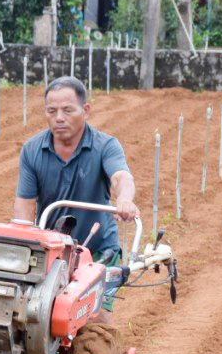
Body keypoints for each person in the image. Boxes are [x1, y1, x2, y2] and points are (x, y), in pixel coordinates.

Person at [13, 76, 138, 316]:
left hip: (99, 250)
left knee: (92, 317)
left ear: (86, 110)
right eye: (52, 111)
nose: (59, 117)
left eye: (67, 110)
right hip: (54, 248)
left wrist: (124, 199)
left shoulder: (105, 146)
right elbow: (25, 205)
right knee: (33, 312)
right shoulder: (32, 150)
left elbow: (121, 177)